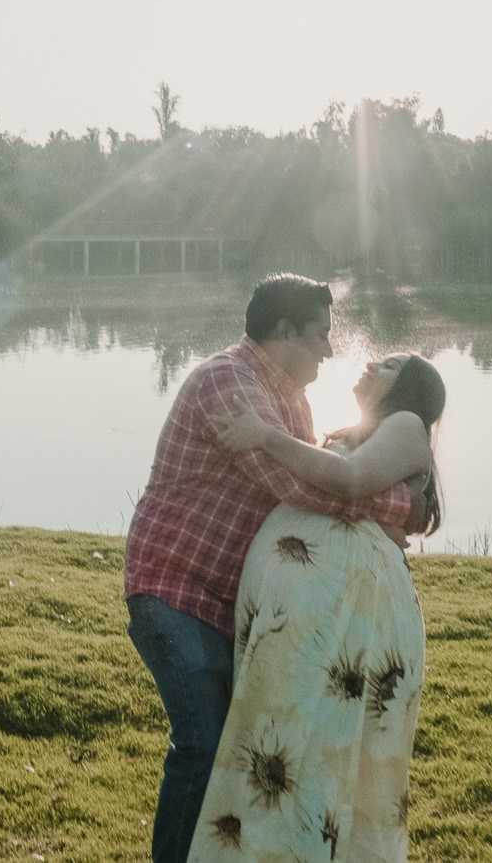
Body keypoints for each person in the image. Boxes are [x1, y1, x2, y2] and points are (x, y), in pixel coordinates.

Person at [125, 275, 414, 863]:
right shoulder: (228, 382)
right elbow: (296, 487)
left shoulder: (291, 400)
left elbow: (312, 490)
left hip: (226, 604)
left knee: (240, 751)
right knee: (203, 744)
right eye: (320, 335)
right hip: (173, 590)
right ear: (284, 331)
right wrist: (403, 505)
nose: (329, 350)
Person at [187, 351, 447, 863]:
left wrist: (265, 435)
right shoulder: (358, 430)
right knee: (279, 746)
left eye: (390, 366)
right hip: (313, 618)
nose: (373, 365)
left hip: (352, 616)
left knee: (320, 749)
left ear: (410, 389)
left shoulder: (406, 423)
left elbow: (349, 481)